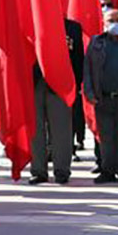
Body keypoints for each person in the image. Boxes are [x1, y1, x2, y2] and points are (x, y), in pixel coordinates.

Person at [84, 8, 118, 184]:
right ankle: (107, 170)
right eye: (111, 20)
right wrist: (89, 92)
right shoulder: (95, 43)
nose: (115, 24)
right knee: (106, 137)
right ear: (104, 23)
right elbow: (87, 70)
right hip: (103, 98)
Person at [28, 18, 83, 185]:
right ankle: (38, 170)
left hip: (60, 84)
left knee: (61, 130)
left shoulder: (72, 27)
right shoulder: (30, 22)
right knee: (35, 130)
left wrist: (76, 83)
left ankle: (62, 170)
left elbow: (78, 57)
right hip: (34, 82)